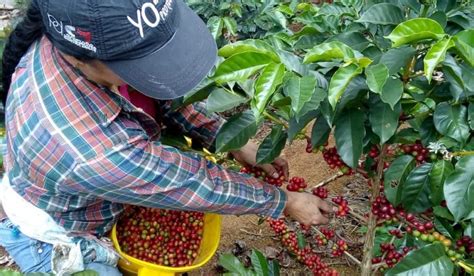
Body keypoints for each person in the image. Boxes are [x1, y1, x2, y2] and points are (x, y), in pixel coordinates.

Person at [0, 0, 334, 274]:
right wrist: (284, 201)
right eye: (139, 63)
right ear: (79, 57)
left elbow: (161, 91)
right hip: (58, 232)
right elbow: (192, 184)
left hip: (91, 183)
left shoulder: (85, 46)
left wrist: (229, 138)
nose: (153, 70)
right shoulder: (90, 148)